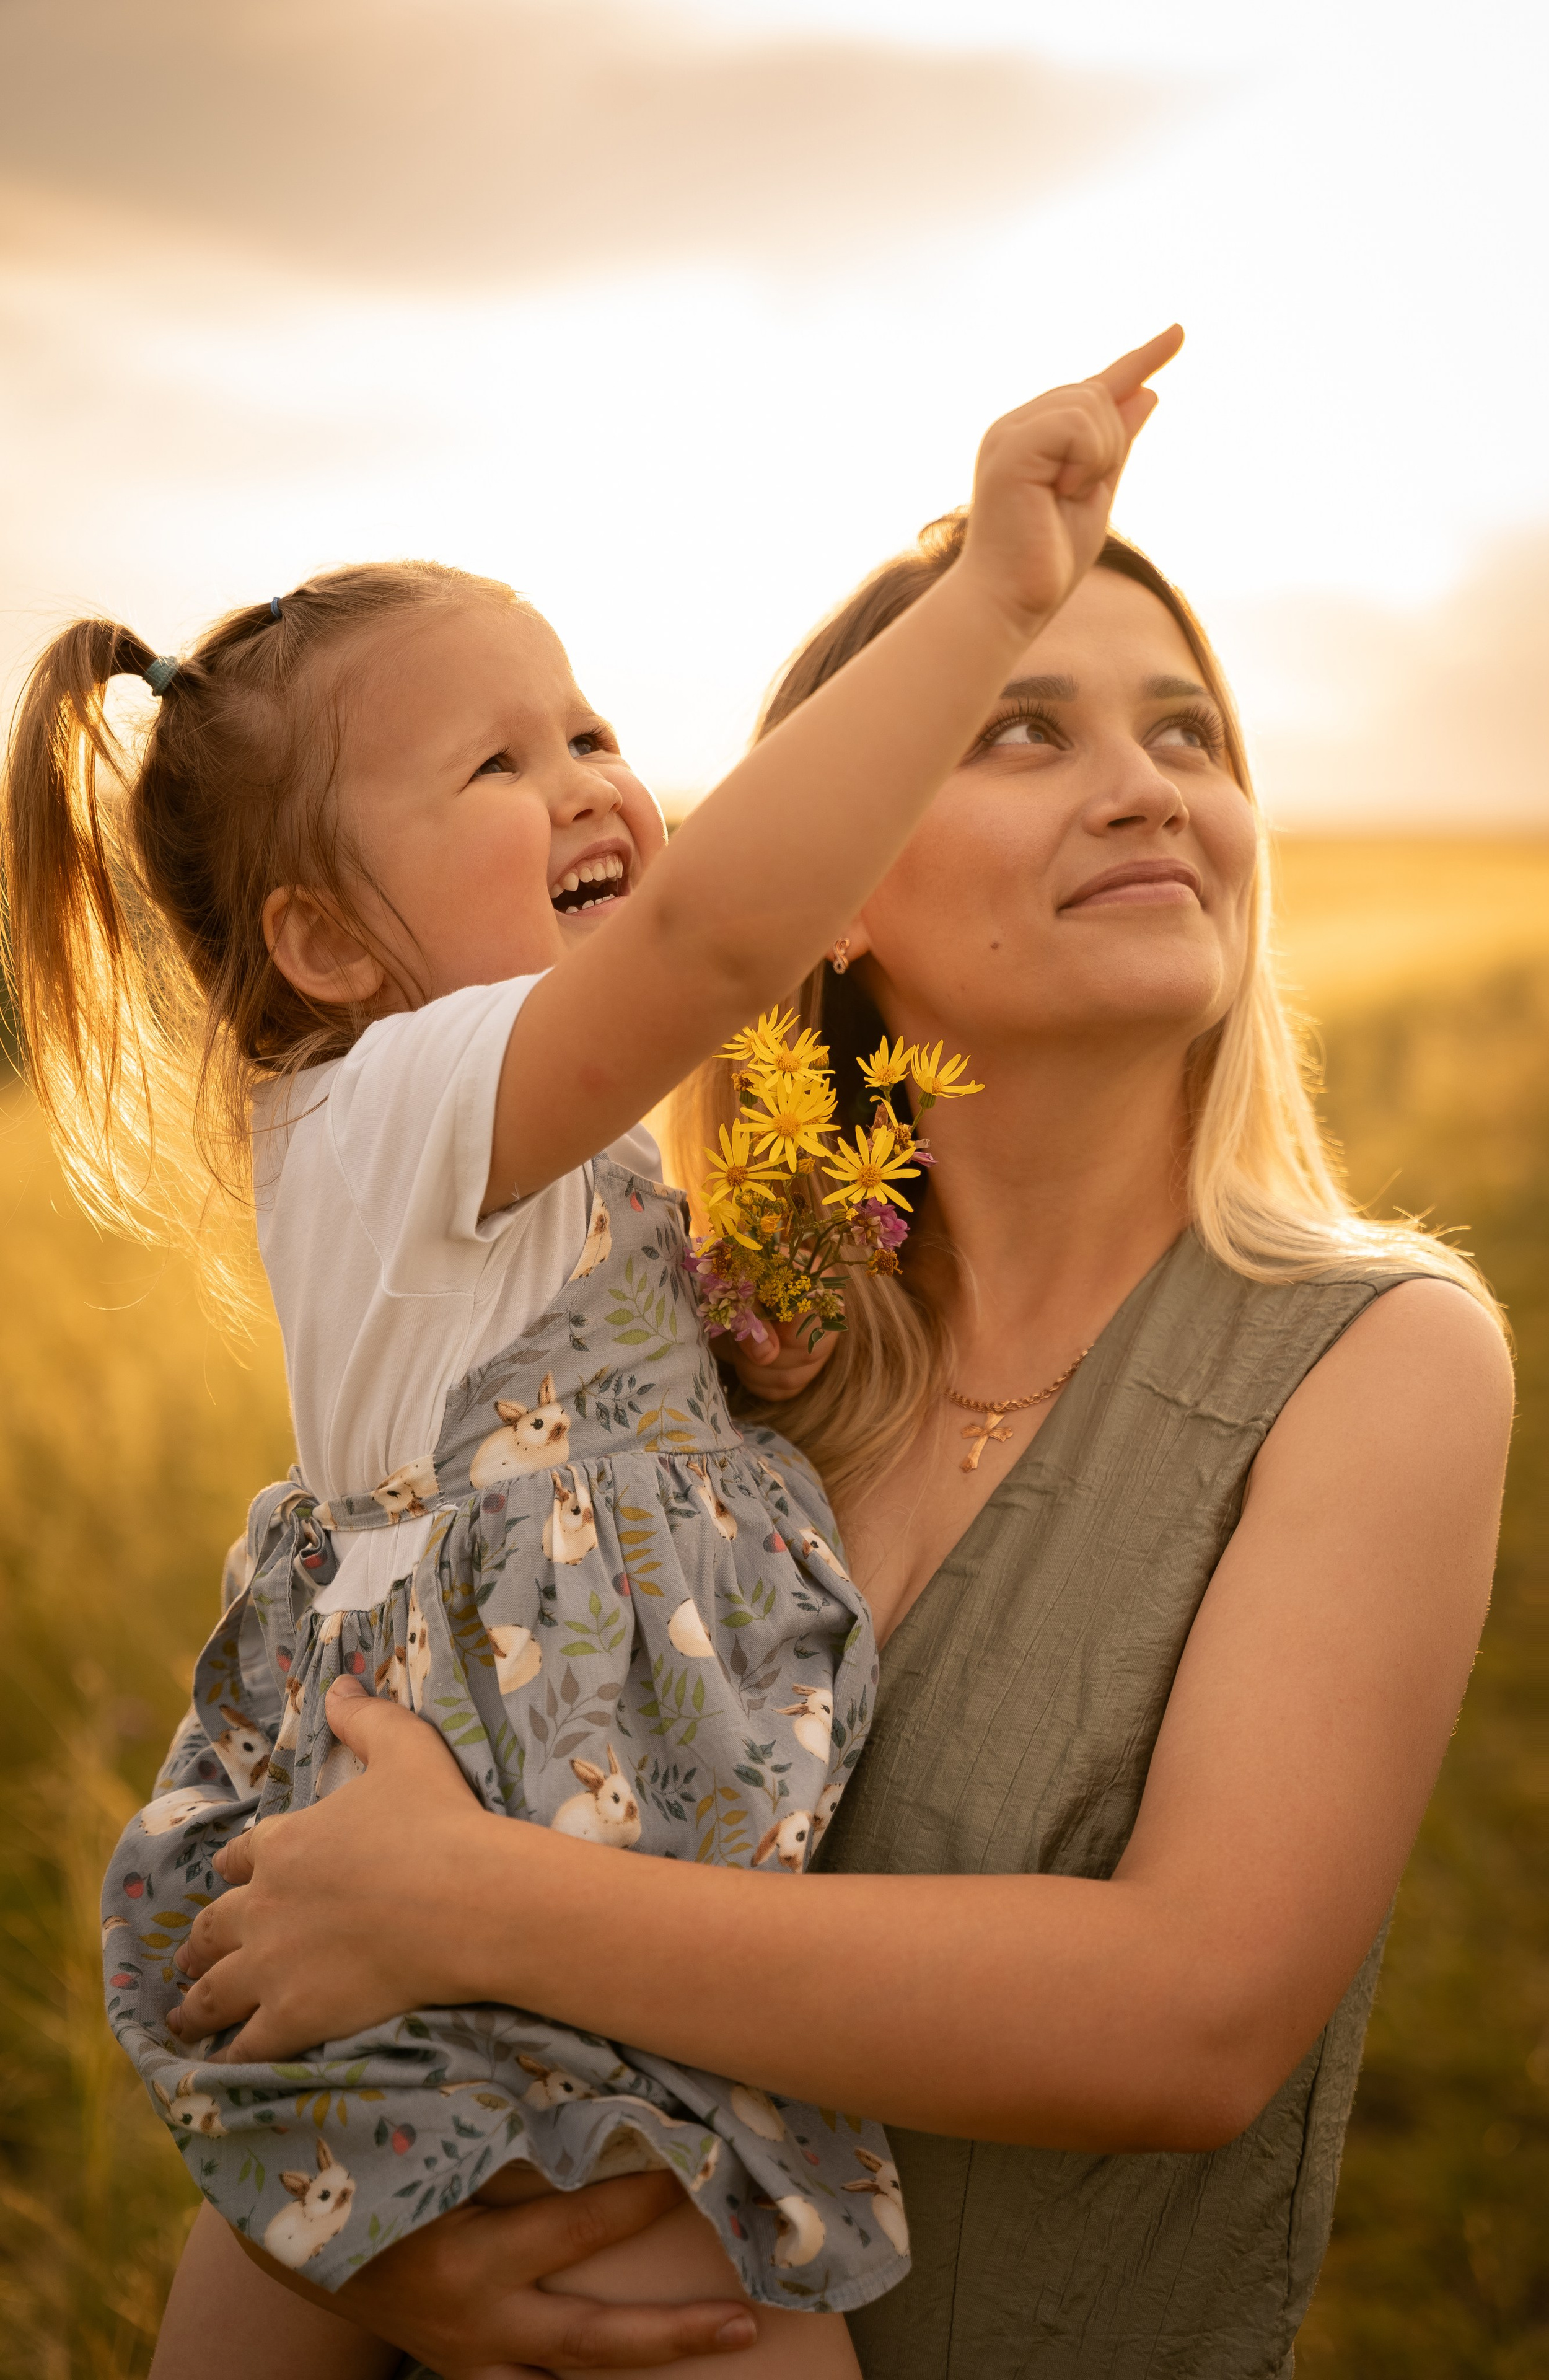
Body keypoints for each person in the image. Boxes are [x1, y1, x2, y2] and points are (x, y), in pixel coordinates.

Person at [160, 501, 1513, 2380]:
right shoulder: (721, 1380)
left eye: (1188, 731)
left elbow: (1195, 2024)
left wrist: (485, 1907)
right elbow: (328, 1932)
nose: (1145, 787)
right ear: (836, 885)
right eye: (1021, 725)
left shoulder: (1382, 1358)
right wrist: (383, 2263)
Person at [1, 335, 1183, 2380]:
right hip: (490, 1954)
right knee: (736, 2333)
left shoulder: (524, 1150)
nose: (589, 786)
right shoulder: (391, 1106)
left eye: (592, 728)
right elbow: (724, 936)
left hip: (538, 1923)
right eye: (496, 768)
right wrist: (991, 591)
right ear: (321, 947)